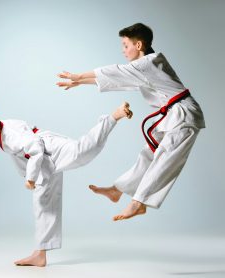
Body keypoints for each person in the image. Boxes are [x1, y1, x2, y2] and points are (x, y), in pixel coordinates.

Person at [57, 23, 205, 221]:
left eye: (126, 45)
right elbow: (119, 79)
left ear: (139, 45)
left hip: (184, 115)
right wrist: (79, 81)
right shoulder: (146, 67)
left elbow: (116, 72)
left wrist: (79, 76)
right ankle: (118, 190)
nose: (123, 50)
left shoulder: (149, 63)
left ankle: (139, 202)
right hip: (172, 115)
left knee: (165, 157)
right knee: (148, 154)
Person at [0, 103, 132, 266]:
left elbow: (35, 148)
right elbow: (20, 154)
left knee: (82, 151)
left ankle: (113, 117)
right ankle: (40, 254)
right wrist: (28, 174)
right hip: (43, 164)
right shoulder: (1, 130)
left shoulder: (10, 136)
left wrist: (31, 178)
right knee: (43, 204)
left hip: (49, 150)